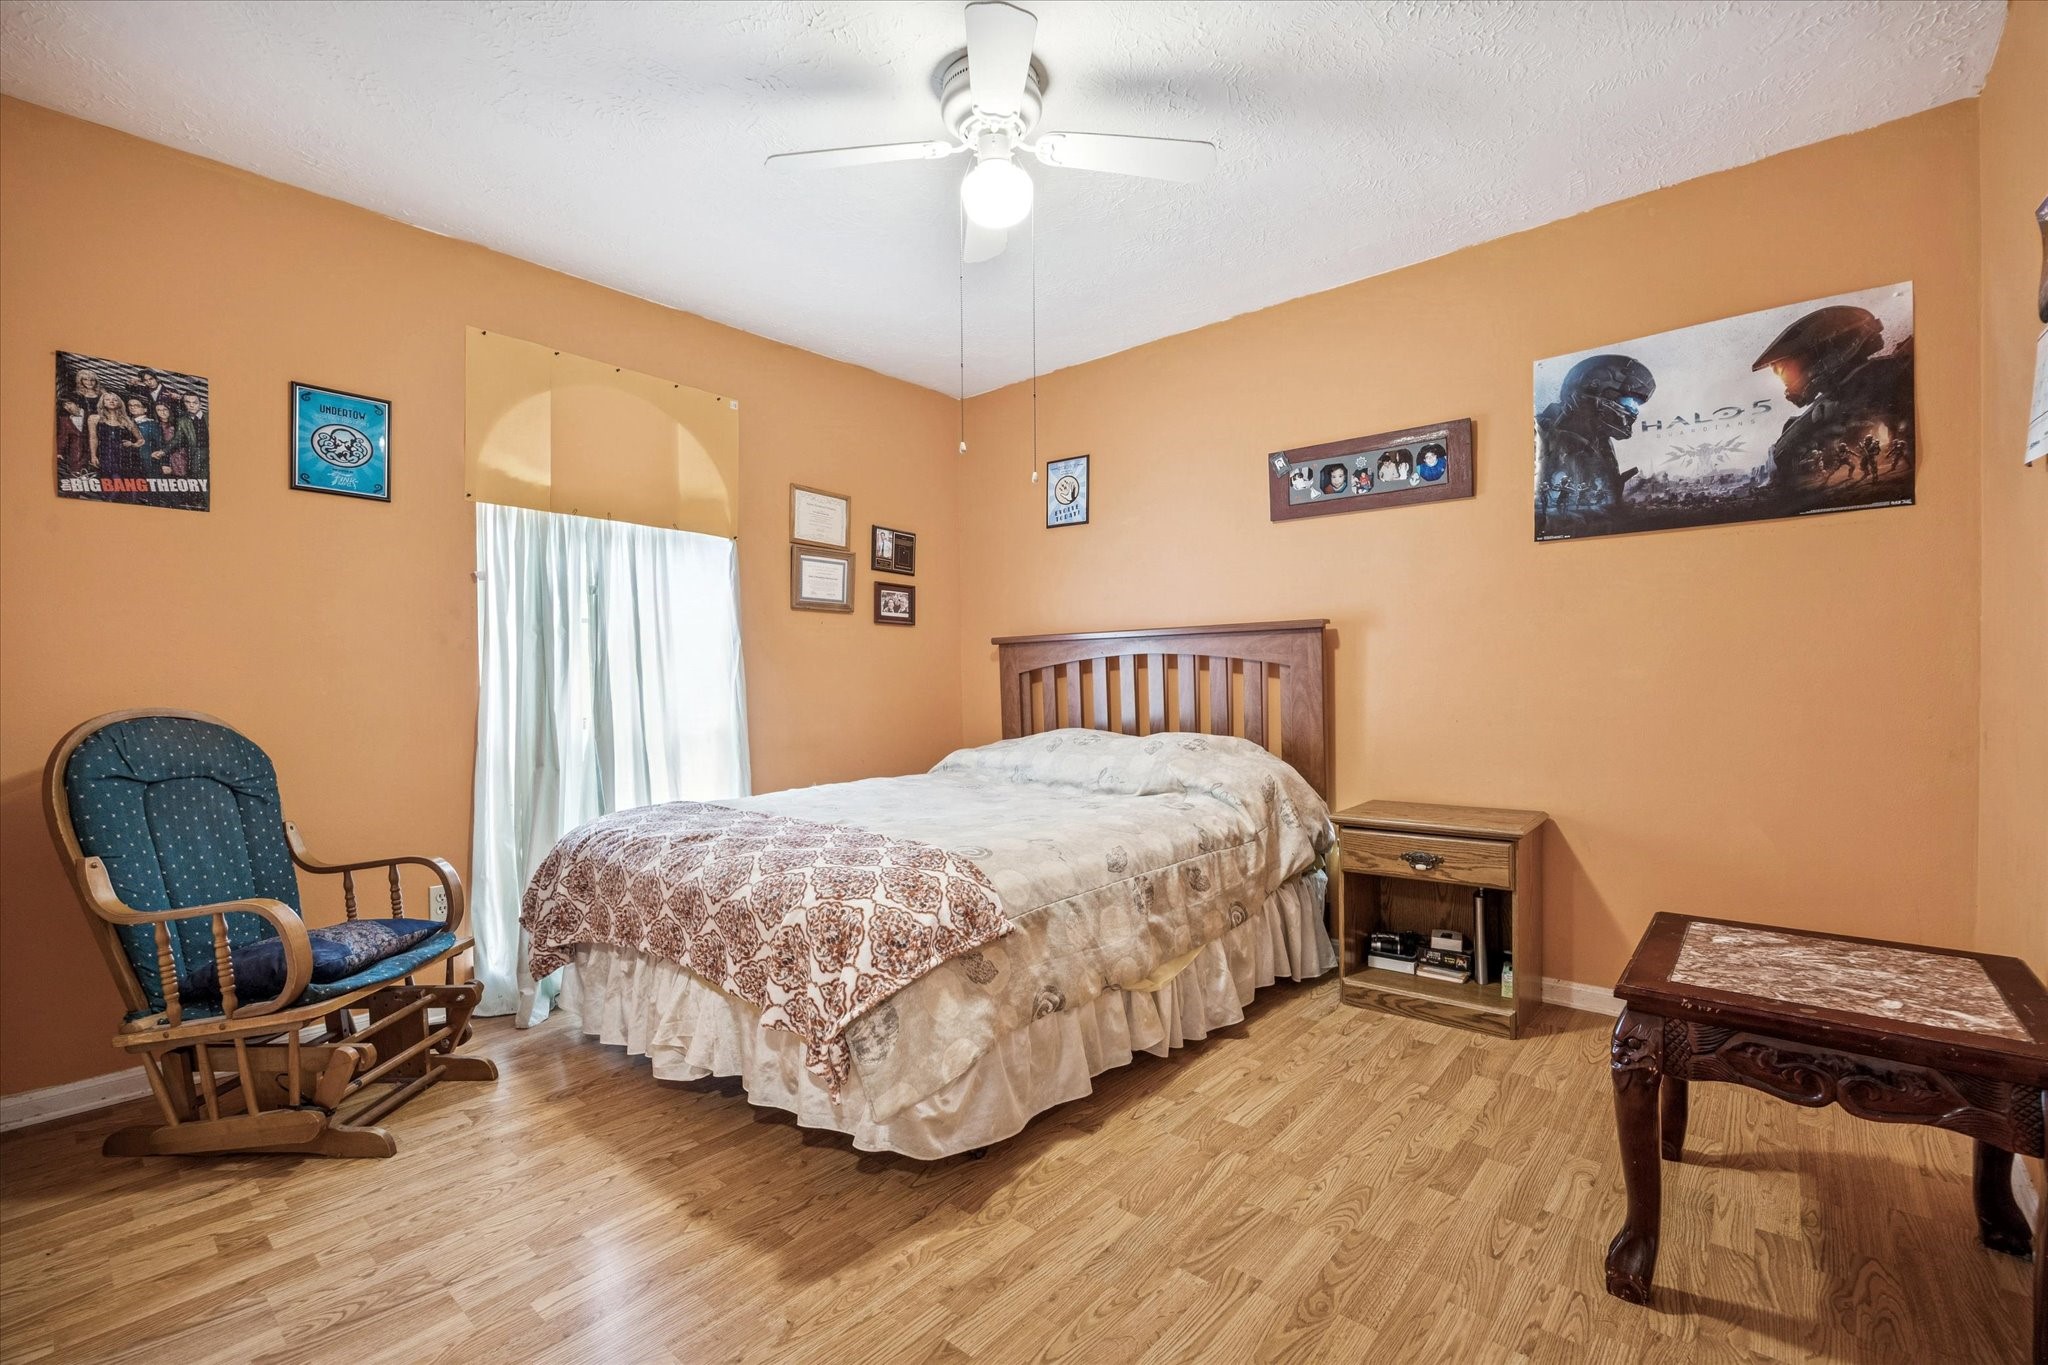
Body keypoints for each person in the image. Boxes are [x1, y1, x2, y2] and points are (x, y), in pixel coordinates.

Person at [88, 392, 141, 497]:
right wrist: (93, 456)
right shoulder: (94, 418)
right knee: (113, 486)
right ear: (103, 403)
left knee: (128, 489)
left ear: (119, 403)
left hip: (124, 457)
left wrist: (133, 444)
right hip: (105, 455)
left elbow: (141, 440)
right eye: (108, 399)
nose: (111, 401)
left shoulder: (127, 421)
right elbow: (93, 438)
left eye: (115, 399)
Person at [56, 396, 91, 479]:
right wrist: (59, 452)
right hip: (75, 454)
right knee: (76, 477)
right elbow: (62, 437)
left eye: (69, 403)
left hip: (92, 452)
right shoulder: (64, 420)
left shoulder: (90, 415)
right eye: (64, 405)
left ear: (77, 404)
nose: (67, 407)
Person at [180, 390, 210, 469]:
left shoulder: (210, 416)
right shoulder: (182, 421)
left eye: (195, 403)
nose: (191, 405)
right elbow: (176, 439)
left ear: (200, 404)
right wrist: (163, 451)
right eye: (188, 402)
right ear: (184, 404)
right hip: (195, 455)